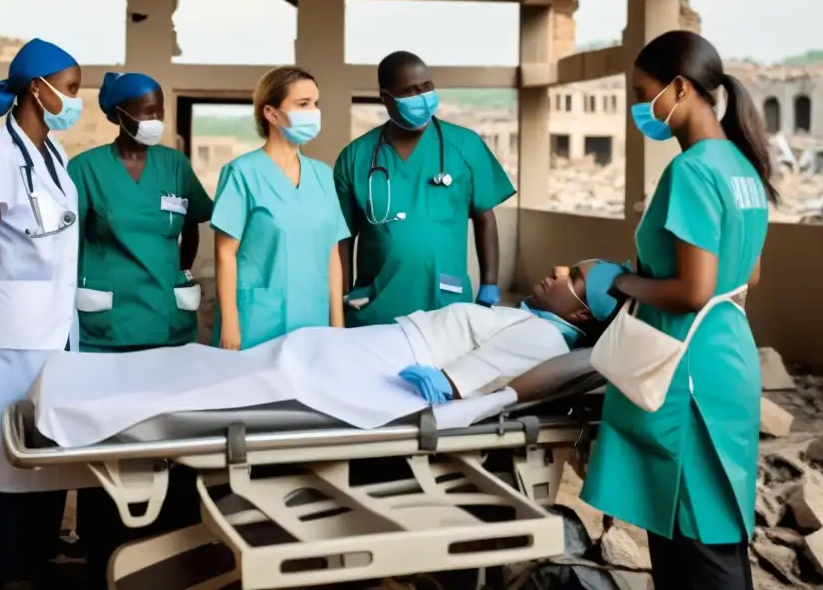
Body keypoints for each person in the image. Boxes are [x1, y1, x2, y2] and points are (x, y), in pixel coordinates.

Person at [33, 258, 628, 449]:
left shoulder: (547, 338)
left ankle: (84, 404)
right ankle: (82, 387)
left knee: (239, 382)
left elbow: (474, 377)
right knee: (230, 367)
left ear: (580, 314)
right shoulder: (530, 321)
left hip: (382, 368)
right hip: (367, 350)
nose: (555, 272)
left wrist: (447, 382)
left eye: (571, 276)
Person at [580, 31, 772, 590]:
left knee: (693, 538)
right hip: (729, 353)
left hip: (686, 367)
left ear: (680, 88)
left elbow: (692, 288)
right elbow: (748, 276)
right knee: (716, 523)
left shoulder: (691, 171)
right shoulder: (741, 165)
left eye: (644, 92)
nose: (641, 107)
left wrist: (618, 279)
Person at [0, 38, 93, 589]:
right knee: (8, 439)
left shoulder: (54, 156)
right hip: (13, 320)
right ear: (36, 89)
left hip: (56, 321)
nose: (75, 100)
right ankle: (12, 565)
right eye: (70, 89)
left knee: (50, 435)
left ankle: (39, 555)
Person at [334, 51, 516, 328]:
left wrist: (489, 286)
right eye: (408, 91)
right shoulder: (355, 157)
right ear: (386, 98)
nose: (421, 97)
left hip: (445, 303)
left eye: (426, 87)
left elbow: (485, 218)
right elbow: (342, 237)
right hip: (376, 305)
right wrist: (343, 297)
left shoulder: (466, 146)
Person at [68, 71, 213, 352]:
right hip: (108, 318)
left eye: (160, 112)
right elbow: (69, 243)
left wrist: (182, 272)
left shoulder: (175, 165)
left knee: (167, 392)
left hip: (166, 312)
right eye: (148, 112)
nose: (156, 120)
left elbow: (191, 222)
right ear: (120, 114)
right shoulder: (85, 168)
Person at [211, 66, 348, 350]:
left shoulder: (323, 175)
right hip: (256, 321)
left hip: (315, 318)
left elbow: (332, 254)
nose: (313, 111)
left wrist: (338, 325)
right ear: (271, 113)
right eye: (303, 104)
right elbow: (225, 254)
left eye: (315, 103)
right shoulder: (242, 174)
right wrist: (230, 324)